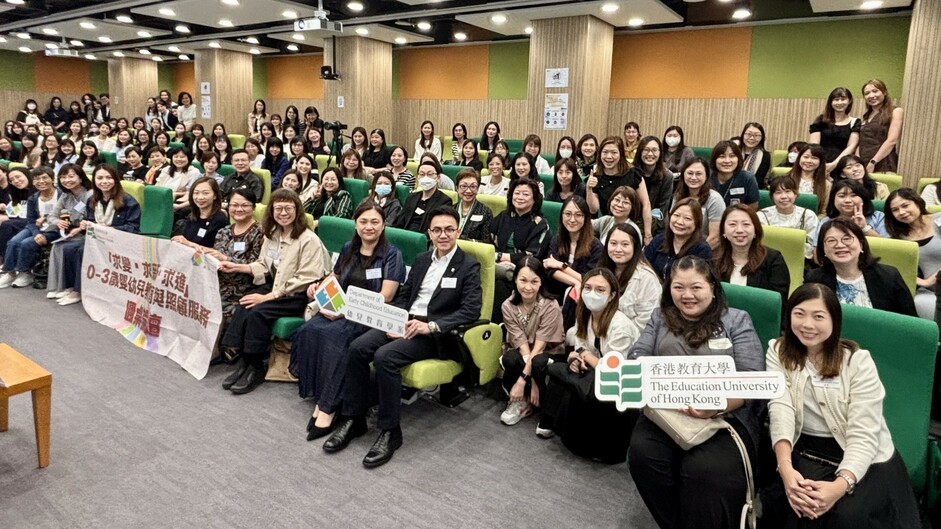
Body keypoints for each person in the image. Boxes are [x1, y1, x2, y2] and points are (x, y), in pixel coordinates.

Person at [322, 207, 481, 468]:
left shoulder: (468, 265)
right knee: (358, 348)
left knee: (385, 357)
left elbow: (470, 310)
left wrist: (430, 326)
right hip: (405, 321)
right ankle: (355, 418)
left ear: (458, 231)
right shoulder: (422, 260)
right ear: (429, 233)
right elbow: (405, 295)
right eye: (437, 230)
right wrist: (394, 319)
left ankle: (390, 431)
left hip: (434, 333)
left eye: (449, 229)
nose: (443, 235)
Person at [765, 283, 921, 528]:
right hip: (808, 451)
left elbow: (864, 434)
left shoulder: (858, 362)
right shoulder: (778, 351)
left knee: (846, 516)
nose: (807, 324)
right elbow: (780, 409)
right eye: (799, 314)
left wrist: (840, 486)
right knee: (801, 505)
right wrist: (785, 468)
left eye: (818, 316)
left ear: (834, 320)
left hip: (866, 458)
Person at [628, 255, 765, 528]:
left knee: (705, 470)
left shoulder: (736, 320)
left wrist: (716, 405)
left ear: (712, 288)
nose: (687, 295)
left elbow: (751, 377)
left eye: (696, 287)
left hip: (724, 417)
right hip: (666, 412)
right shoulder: (660, 317)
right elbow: (637, 356)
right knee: (643, 454)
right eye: (678, 287)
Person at [291, 203, 406, 440]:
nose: (368, 227)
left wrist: (346, 311)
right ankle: (322, 395)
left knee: (335, 337)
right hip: (340, 309)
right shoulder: (348, 248)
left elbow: (386, 296)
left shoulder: (392, 254)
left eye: (374, 222)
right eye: (363, 221)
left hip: (368, 315)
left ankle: (328, 407)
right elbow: (334, 277)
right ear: (356, 224)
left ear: (383, 225)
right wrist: (319, 288)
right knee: (309, 330)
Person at [218, 189, 329, 395]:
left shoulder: (308, 239)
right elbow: (263, 264)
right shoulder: (273, 234)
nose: (283, 213)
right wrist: (238, 267)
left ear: (297, 210)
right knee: (245, 302)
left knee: (258, 312)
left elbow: (306, 277)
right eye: (278, 208)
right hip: (276, 285)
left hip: (296, 294)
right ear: (271, 211)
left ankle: (256, 367)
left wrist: (269, 296)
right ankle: (245, 361)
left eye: (288, 208)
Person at [539, 267, 641, 462]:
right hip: (594, 370)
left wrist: (584, 356)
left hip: (619, 385)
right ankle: (555, 425)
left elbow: (614, 370)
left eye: (600, 290)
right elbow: (580, 348)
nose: (592, 294)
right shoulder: (585, 315)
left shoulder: (621, 326)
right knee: (558, 369)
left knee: (588, 383)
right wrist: (576, 359)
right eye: (588, 288)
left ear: (612, 296)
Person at [46, 165, 141, 306]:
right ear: (94, 180)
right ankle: (70, 286)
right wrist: (84, 225)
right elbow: (91, 222)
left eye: (108, 178)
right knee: (68, 248)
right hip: (99, 239)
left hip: (119, 240)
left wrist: (107, 229)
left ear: (116, 179)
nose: (104, 181)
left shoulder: (128, 200)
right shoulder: (94, 199)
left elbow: (133, 228)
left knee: (81, 250)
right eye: (100, 178)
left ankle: (78, 291)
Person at [0, 164, 92, 289]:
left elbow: (72, 216)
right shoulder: (34, 198)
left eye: (44, 178)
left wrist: (55, 221)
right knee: (13, 242)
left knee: (26, 243)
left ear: (52, 179)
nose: (41, 181)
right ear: (33, 182)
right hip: (38, 227)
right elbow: (32, 221)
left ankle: (24, 272)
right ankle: (10, 272)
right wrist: (37, 233)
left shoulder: (63, 194)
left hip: (55, 230)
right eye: (37, 179)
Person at [498, 256, 565, 427]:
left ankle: (545, 407)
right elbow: (522, 346)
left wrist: (525, 380)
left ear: (541, 282)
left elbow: (540, 348)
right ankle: (521, 401)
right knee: (510, 358)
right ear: (515, 279)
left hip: (548, 353)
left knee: (538, 362)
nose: (528, 287)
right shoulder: (508, 306)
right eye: (523, 280)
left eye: (534, 281)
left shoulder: (550, 306)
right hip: (527, 352)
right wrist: (527, 377)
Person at [806, 218, 915, 316]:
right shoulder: (814, 279)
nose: (840, 245)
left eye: (847, 238)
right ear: (823, 249)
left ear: (861, 244)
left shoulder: (888, 276)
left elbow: (909, 321)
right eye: (831, 241)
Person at [204, 190, 264, 338]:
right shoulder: (223, 232)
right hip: (218, 284)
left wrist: (224, 258)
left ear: (253, 207)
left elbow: (257, 265)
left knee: (220, 307)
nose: (239, 209)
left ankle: (218, 347)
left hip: (243, 289)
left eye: (245, 205)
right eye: (234, 205)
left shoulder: (260, 232)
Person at [711, 204, 790, 302]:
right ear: (723, 231)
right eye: (732, 224)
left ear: (755, 229)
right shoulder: (713, 259)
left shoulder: (773, 260)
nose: (739, 230)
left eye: (746, 224)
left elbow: (778, 303)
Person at [884, 188, 941, 320]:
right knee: (919, 303)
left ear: (917, 202)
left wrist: (937, 276)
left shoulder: (939, 219)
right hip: (929, 291)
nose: (902, 212)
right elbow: (894, 270)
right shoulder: (898, 238)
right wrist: (924, 282)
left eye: (905, 205)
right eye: (895, 210)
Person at [586, 136, 654, 244]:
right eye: (605, 152)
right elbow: (593, 209)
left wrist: (647, 235)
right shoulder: (596, 176)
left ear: (621, 154)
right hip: (610, 225)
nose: (609, 156)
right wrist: (589, 189)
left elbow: (646, 204)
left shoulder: (633, 174)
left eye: (614, 152)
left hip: (634, 225)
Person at [542, 196, 604, 299]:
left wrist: (561, 265)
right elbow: (550, 270)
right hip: (553, 294)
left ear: (586, 218)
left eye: (578, 215)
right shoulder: (557, 239)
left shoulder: (596, 246)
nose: (572, 219)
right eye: (568, 214)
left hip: (581, 297)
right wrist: (575, 282)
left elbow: (590, 279)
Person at [644, 198, 713, 280]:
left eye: (687, 218)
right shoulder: (658, 240)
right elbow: (644, 266)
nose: (680, 222)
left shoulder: (702, 250)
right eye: (676, 215)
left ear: (697, 223)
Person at [758, 176, 819, 263]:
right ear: (772, 196)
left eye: (788, 191)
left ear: (795, 194)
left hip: (801, 261)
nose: (783, 196)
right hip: (768, 261)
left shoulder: (808, 215)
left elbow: (814, 246)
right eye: (778, 192)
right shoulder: (762, 215)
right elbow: (759, 244)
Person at [814, 179, 888, 246]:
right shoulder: (826, 221)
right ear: (833, 200)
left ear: (863, 198)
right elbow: (816, 251)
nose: (847, 200)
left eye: (853, 195)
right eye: (842, 196)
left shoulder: (878, 217)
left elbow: (888, 247)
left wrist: (865, 228)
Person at [672, 157, 725, 248]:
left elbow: (715, 237)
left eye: (698, 174)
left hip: (705, 249)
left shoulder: (715, 199)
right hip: (679, 247)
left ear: (706, 176)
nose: (693, 177)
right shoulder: (678, 196)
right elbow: (672, 226)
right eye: (690, 173)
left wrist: (696, 252)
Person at [629, 136, 674, 236]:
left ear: (660, 153)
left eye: (654, 150)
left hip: (657, 224)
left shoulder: (667, 176)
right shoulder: (630, 173)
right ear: (640, 152)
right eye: (646, 150)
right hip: (631, 222)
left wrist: (648, 230)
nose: (650, 154)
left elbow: (663, 209)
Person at [809, 87, 861, 173]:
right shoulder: (821, 120)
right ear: (831, 102)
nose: (839, 102)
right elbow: (814, 145)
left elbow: (852, 146)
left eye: (843, 99)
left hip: (843, 164)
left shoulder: (855, 122)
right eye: (836, 99)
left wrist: (835, 164)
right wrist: (821, 163)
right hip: (820, 163)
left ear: (849, 101)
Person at [857, 79, 903, 174]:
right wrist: (857, 161)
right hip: (863, 163)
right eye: (867, 93)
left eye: (875, 91)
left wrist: (873, 162)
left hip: (883, 163)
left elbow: (892, 140)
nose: (871, 95)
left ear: (884, 92)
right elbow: (862, 140)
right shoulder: (866, 115)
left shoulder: (896, 111)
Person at [170, 177, 229, 249]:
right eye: (196, 193)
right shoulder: (192, 216)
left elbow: (218, 251)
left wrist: (189, 244)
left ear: (215, 195)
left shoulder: (220, 220)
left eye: (205, 193)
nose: (200, 197)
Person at [395, 162, 452, 234]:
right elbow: (400, 222)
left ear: (438, 177)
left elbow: (437, 229)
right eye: (422, 174)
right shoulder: (411, 197)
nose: (425, 178)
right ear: (417, 177)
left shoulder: (444, 201)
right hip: (406, 235)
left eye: (430, 174)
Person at [710, 140, 760, 209]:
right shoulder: (706, 177)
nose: (727, 161)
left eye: (732, 156)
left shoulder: (748, 178)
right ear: (714, 159)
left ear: (738, 159)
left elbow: (752, 208)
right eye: (722, 156)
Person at [787, 143, 831, 215]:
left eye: (814, 158)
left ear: (820, 162)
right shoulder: (786, 179)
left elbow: (823, 212)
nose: (809, 161)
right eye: (806, 157)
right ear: (799, 158)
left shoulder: (827, 184)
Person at [454, 168, 492, 243]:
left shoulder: (486, 212)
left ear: (478, 189)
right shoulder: (451, 209)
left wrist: (463, 239)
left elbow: (486, 242)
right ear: (457, 188)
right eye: (464, 186)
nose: (468, 191)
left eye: (473, 186)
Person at [740, 122, 771, 187]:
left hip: (753, 188)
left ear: (762, 138)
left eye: (756, 135)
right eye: (749, 134)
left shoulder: (765, 156)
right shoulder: (734, 152)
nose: (752, 138)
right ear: (743, 135)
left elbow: (759, 180)